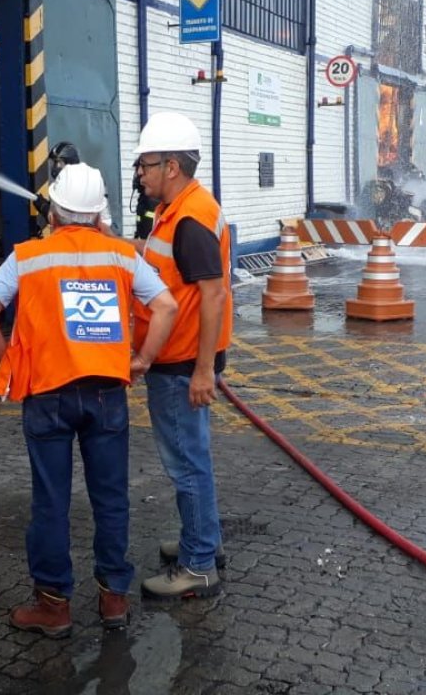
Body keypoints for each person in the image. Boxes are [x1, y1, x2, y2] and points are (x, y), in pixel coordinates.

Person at [0, 164, 178, 638]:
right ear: (100, 212)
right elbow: (166, 305)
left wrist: (10, 361)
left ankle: (53, 607)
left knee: (51, 503)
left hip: (46, 396)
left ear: (55, 210)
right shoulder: (122, 256)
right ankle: (113, 600)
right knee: (110, 500)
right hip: (107, 395)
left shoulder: (28, 256)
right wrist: (142, 359)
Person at [114, 111, 234, 600]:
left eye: (145, 165)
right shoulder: (179, 209)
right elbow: (165, 265)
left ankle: (199, 566)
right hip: (181, 360)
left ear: (172, 167)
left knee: (187, 465)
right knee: (192, 460)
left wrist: (203, 370)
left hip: (183, 365)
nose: (139, 174)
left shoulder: (190, 218)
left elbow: (213, 293)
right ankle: (203, 541)